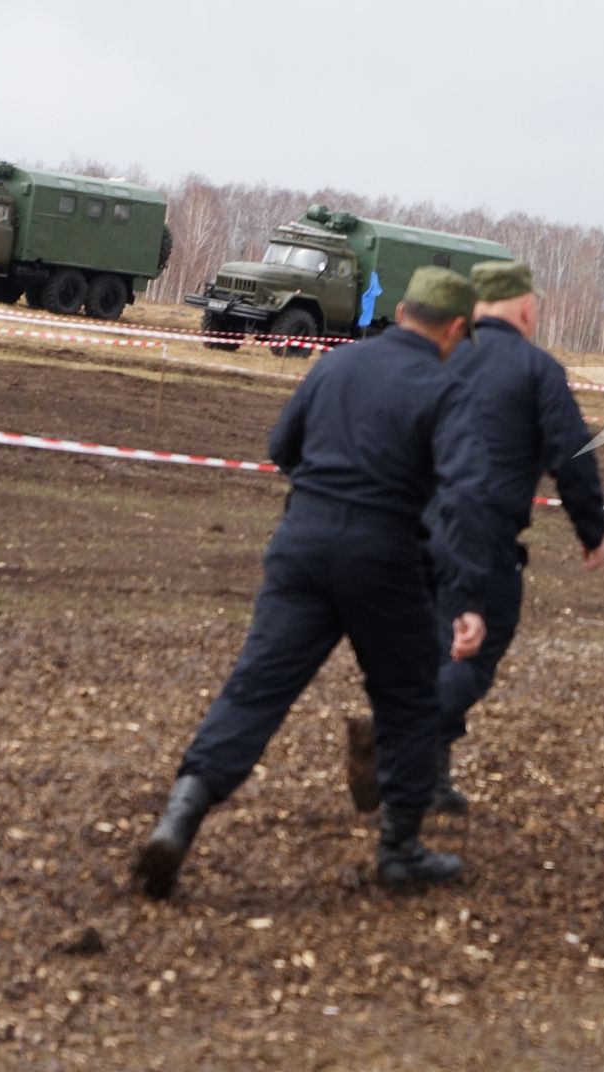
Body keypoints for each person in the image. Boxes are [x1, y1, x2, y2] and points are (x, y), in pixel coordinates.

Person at [134, 267, 492, 899]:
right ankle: (400, 850)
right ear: (457, 328)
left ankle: (179, 819)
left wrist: (326, 489)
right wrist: (464, 595)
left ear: (403, 309)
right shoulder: (446, 389)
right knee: (408, 699)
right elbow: (463, 500)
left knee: (255, 689)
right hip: (383, 556)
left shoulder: (334, 364)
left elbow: (281, 446)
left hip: (300, 544)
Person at [345, 260, 604, 815]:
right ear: (528, 308)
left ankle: (430, 778)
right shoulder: (537, 370)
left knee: (438, 646)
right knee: (476, 654)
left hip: (412, 525)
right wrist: (592, 529)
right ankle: (395, 736)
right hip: (484, 533)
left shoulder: (441, 352)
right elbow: (572, 455)